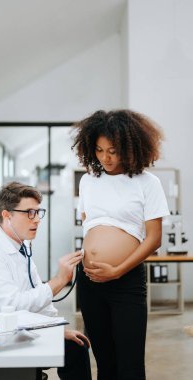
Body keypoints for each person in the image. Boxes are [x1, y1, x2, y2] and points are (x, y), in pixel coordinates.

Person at [0, 181, 92, 380]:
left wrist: (56, 328)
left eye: (38, 212)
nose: (37, 220)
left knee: (75, 345)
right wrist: (59, 280)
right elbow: (14, 305)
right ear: (7, 215)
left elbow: (34, 291)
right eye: (29, 213)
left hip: (7, 327)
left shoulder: (21, 246)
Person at [71, 109, 170, 380]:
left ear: (130, 147)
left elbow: (154, 238)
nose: (106, 157)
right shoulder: (89, 181)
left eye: (113, 150)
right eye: (100, 150)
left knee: (130, 365)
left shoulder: (148, 183)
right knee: (105, 363)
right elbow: (90, 225)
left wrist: (117, 270)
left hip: (126, 282)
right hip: (90, 282)